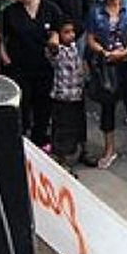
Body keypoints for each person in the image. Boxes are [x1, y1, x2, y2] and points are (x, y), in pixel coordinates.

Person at [85, 0, 127, 167]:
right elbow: (90, 38)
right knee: (107, 106)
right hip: (106, 64)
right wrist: (103, 52)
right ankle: (109, 149)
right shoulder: (95, 11)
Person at [0, 0, 62, 148]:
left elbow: (58, 30)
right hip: (19, 66)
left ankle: (41, 138)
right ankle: (22, 138)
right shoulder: (9, 12)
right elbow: (1, 37)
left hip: (44, 65)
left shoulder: (50, 9)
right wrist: (6, 59)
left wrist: (55, 39)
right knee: (23, 104)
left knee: (43, 103)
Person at [46, 18, 87, 167]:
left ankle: (82, 151)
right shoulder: (56, 51)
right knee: (63, 129)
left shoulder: (75, 47)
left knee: (78, 126)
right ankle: (62, 160)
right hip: (62, 97)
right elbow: (52, 48)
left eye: (72, 31)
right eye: (66, 32)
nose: (71, 35)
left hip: (77, 94)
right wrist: (54, 37)